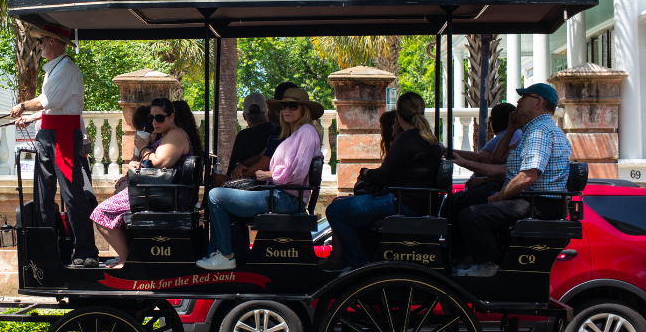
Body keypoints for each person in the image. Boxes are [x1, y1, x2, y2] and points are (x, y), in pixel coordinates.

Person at [197, 88, 323, 271]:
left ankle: (225, 255)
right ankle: (216, 254)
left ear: (304, 109)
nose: (287, 109)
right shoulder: (292, 134)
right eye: (284, 105)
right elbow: (268, 160)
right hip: (281, 195)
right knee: (219, 197)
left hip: (285, 198)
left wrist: (269, 175)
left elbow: (296, 173)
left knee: (216, 196)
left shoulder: (307, 131)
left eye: (293, 106)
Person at [453, 83, 571, 277]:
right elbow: (497, 159)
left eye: (524, 97)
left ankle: (490, 264)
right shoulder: (531, 130)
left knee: (471, 215)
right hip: (535, 200)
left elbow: (527, 177)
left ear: (538, 103)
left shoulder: (539, 132)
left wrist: (501, 196)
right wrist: (511, 128)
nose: (519, 101)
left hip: (538, 202)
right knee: (469, 202)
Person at [10, 23, 99, 268]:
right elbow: (57, 107)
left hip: (62, 136)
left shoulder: (67, 68)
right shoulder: (55, 69)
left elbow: (48, 101)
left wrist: (24, 107)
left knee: (72, 195)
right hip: (49, 134)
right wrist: (34, 117)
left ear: (52, 41)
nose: (39, 45)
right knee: (43, 196)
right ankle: (49, 251)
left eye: (42, 41)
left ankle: (86, 251)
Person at [322, 92, 443, 272]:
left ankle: (358, 264)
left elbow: (383, 174)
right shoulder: (430, 140)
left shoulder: (406, 138)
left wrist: (364, 172)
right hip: (416, 202)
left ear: (399, 116)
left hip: (401, 202)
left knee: (334, 211)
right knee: (344, 208)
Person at [91, 98, 200, 269]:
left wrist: (143, 147)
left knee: (101, 213)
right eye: (151, 118)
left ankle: (126, 259)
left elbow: (159, 163)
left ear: (171, 116)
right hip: (158, 192)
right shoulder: (166, 135)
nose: (154, 122)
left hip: (164, 194)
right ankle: (130, 255)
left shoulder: (176, 135)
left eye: (159, 118)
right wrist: (138, 162)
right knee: (112, 209)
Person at [447, 102, 522, 224]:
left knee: (461, 206)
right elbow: (497, 160)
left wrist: (484, 179)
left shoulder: (514, 136)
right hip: (494, 182)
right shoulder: (513, 136)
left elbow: (483, 159)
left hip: (497, 187)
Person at [230, 81, 300, 180]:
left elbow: (264, 165)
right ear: (269, 113)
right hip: (275, 188)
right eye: (282, 106)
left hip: (279, 191)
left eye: (292, 106)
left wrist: (230, 179)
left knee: (215, 194)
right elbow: (261, 156)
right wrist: (242, 164)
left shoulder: (301, 132)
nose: (286, 110)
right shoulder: (280, 131)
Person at [217, 93, 277, 183]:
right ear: (268, 114)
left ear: (244, 116)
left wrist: (227, 178)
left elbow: (232, 173)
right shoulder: (278, 131)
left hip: (249, 188)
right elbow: (261, 156)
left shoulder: (243, 136)